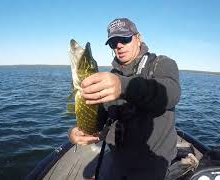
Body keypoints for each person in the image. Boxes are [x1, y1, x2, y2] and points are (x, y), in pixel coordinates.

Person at [68, 18, 181, 180]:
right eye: (113, 42)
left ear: (138, 38)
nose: (119, 45)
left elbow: (171, 94)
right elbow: (100, 119)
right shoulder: (110, 77)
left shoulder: (161, 64)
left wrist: (123, 87)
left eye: (125, 39)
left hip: (153, 163)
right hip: (119, 161)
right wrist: (78, 131)